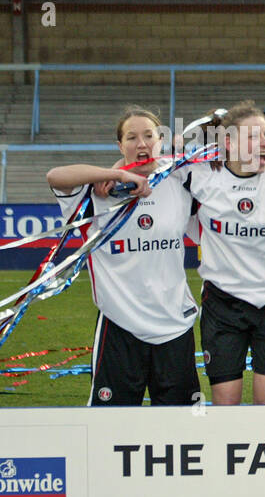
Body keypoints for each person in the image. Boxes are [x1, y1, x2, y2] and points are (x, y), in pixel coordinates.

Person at [45, 107, 201, 407]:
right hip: (120, 324)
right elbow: (55, 176)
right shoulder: (97, 192)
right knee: (111, 425)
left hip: (175, 325)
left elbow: (222, 161)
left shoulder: (180, 181)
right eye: (131, 137)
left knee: (181, 427)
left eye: (149, 136)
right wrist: (116, 173)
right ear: (120, 146)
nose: (141, 144)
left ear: (161, 140)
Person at [178, 100, 265, 405]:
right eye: (254, 136)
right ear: (228, 142)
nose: (264, 143)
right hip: (223, 303)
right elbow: (153, 170)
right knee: (225, 405)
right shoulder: (200, 175)